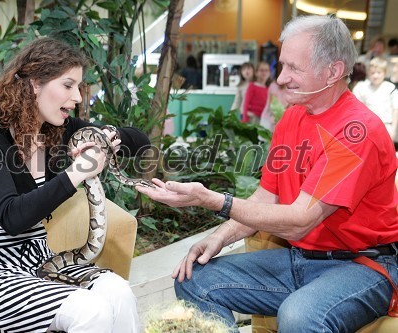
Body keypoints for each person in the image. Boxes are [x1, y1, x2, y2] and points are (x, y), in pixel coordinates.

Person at [137, 15, 398, 333]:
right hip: (300, 260)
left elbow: (301, 220)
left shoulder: (358, 130)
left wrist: (211, 200)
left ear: (334, 71)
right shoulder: (292, 118)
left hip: (363, 265)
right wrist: (217, 238)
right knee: (193, 279)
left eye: (294, 68)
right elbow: (266, 196)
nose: (282, 78)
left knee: (300, 316)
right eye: (282, 65)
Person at [0, 37, 150, 333]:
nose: (77, 98)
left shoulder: (58, 132)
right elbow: (13, 217)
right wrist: (77, 172)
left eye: (79, 87)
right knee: (91, 310)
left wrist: (108, 136)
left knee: (118, 292)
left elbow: (139, 142)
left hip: (41, 262)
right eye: (68, 85)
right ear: (35, 83)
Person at [352, 57, 398, 141]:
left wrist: (394, 130)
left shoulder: (390, 88)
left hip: (386, 125)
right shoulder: (363, 87)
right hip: (368, 126)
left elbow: (396, 110)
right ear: (368, 74)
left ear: (385, 73)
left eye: (379, 72)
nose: (375, 76)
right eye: (372, 73)